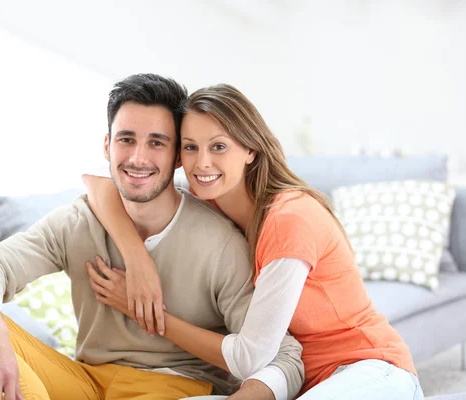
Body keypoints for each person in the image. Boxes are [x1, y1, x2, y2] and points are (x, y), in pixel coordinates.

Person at [0, 74, 304, 400]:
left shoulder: (219, 241)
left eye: (157, 143)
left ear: (178, 155)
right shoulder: (77, 221)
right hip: (85, 380)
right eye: (126, 140)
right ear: (107, 146)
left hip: (173, 385)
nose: (138, 158)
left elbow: (282, 354)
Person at [83, 83, 425, 399]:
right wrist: (138, 259)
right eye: (191, 147)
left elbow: (250, 357)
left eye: (219, 146)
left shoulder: (291, 217)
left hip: (370, 369)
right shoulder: (209, 199)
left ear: (250, 149)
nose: (202, 163)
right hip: (298, 383)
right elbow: (99, 187)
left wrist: (146, 312)